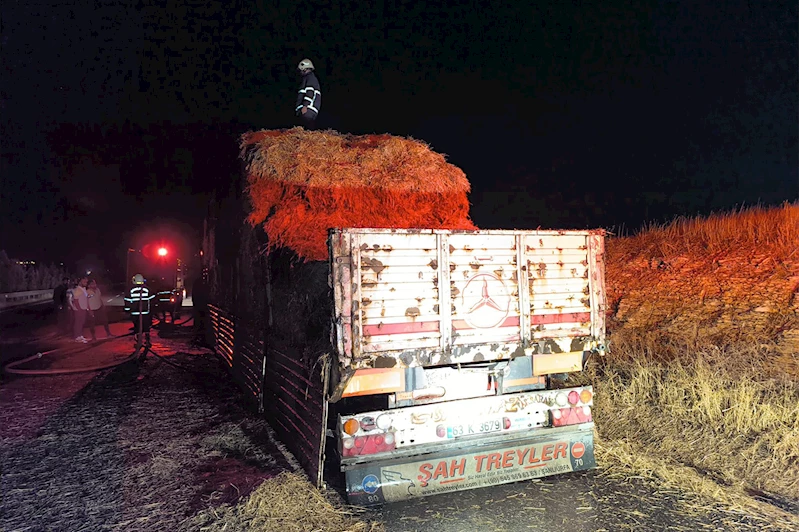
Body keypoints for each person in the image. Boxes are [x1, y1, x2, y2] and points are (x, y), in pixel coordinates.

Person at [124, 273, 155, 348]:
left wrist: (127, 310)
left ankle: (139, 342)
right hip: (145, 312)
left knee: (137, 327)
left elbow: (127, 301)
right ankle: (147, 341)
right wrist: (151, 310)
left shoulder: (130, 290)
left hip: (135, 313)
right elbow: (153, 300)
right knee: (146, 327)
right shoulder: (147, 289)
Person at [295, 58, 321, 130]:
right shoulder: (309, 78)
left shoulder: (310, 77)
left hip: (308, 111)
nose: (300, 72)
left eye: (300, 70)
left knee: (306, 128)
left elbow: (310, 92)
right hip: (308, 111)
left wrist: (305, 106)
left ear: (304, 69)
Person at [191, 271, 210, 347]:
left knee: (199, 322)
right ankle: (198, 337)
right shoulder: (200, 283)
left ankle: (199, 337)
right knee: (199, 322)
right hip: (200, 306)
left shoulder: (198, 283)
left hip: (199, 306)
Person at [70, 276, 90, 343]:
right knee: (78, 323)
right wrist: (79, 309)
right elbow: (76, 300)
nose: (86, 283)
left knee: (82, 322)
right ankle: (77, 337)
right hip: (79, 309)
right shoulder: (78, 289)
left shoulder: (83, 289)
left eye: (86, 282)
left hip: (83, 308)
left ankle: (80, 335)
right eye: (84, 281)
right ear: (80, 281)